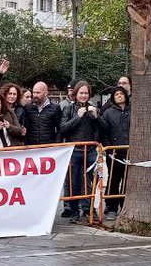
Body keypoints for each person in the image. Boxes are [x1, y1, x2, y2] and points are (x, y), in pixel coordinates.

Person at [59, 81, 100, 222]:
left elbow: (101, 128)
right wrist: (78, 117)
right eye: (81, 93)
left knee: (92, 181)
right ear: (76, 94)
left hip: (90, 149)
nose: (83, 96)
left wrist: (97, 116)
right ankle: (74, 210)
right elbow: (63, 128)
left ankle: (89, 209)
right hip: (74, 150)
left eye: (86, 93)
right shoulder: (68, 109)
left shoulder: (93, 108)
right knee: (73, 181)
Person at [100, 86, 131, 220]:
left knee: (127, 180)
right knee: (113, 179)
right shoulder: (108, 113)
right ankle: (111, 207)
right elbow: (104, 132)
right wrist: (109, 148)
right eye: (116, 94)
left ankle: (124, 206)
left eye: (121, 94)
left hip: (130, 152)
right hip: (114, 153)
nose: (119, 96)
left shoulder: (132, 111)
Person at [24, 81, 61, 146]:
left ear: (46, 93)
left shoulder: (55, 108)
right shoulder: (27, 107)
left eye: (38, 93)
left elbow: (59, 128)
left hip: (49, 146)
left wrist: (57, 144)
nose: (35, 95)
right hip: (31, 146)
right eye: (34, 92)